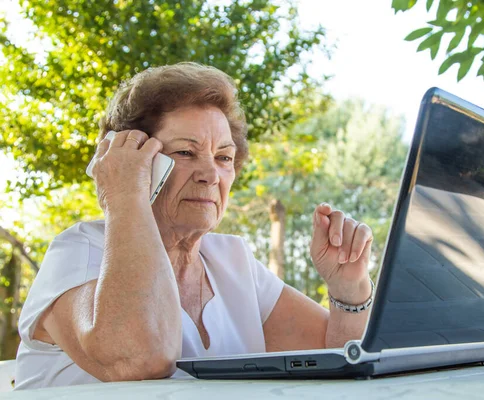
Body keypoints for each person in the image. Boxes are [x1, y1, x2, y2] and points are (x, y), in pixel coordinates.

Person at [14, 62, 375, 389]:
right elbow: (140, 359)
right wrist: (124, 195)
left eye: (224, 157)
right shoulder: (79, 251)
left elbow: (339, 355)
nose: (210, 175)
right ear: (133, 159)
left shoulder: (232, 259)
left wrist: (349, 289)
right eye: (185, 153)